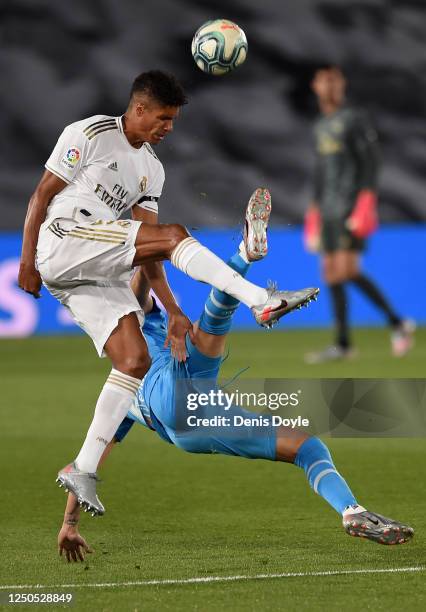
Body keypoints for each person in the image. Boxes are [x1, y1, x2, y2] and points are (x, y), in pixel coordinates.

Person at [19, 70, 318, 514]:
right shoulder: (90, 133)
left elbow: (149, 250)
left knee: (135, 360)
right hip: (66, 237)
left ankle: (81, 469)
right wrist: (27, 261)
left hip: (93, 269)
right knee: (175, 232)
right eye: (163, 118)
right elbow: (40, 196)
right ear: (139, 108)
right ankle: (260, 299)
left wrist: (174, 310)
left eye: (174, 120)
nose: (168, 128)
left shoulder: (152, 170)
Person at [56, 190, 413, 562]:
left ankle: (353, 512)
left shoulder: (119, 387)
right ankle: (248, 260)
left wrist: (70, 523)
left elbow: (89, 462)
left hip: (191, 423)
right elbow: (143, 280)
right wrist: (141, 237)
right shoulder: (134, 320)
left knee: (308, 447)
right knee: (208, 323)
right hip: (178, 387)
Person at [304, 66, 414, 363]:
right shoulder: (320, 126)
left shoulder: (354, 119)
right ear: (316, 85)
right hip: (327, 207)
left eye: (335, 80)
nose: (330, 85)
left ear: (342, 85)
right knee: (330, 273)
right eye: (325, 80)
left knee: (347, 270)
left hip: (349, 204)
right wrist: (313, 212)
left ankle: (398, 323)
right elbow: (320, 172)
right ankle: (342, 344)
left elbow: (371, 162)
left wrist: (365, 203)